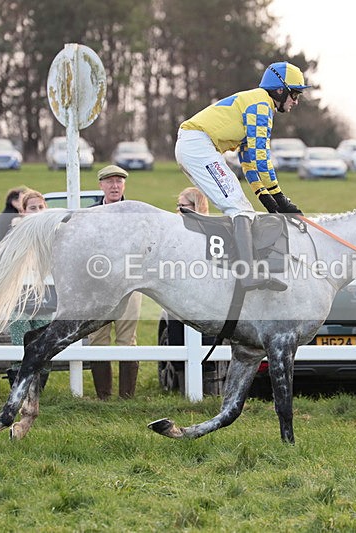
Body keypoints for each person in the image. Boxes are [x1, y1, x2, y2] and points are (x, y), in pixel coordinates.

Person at [174, 61, 310, 292]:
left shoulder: (258, 102)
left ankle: (247, 268)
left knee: (242, 207)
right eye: (294, 94)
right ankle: (246, 274)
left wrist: (265, 198)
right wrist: (281, 199)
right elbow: (261, 157)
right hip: (198, 145)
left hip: (196, 145)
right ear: (280, 90)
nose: (295, 101)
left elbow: (248, 161)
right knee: (239, 209)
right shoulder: (261, 105)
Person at [87, 165, 143, 399]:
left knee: (127, 337)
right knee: (97, 337)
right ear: (101, 185)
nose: (114, 186)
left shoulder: (136, 214)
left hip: (128, 283)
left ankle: (126, 397)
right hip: (98, 286)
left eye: (119, 181)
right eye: (109, 181)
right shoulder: (90, 215)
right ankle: (103, 396)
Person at [6, 190, 53, 389]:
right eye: (32, 208)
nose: (37, 211)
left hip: (46, 298)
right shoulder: (16, 235)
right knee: (19, 332)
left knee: (44, 338)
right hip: (20, 297)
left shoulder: (52, 234)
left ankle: (38, 388)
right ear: (23, 211)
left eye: (40, 207)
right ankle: (19, 388)